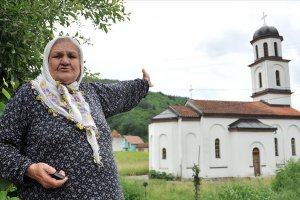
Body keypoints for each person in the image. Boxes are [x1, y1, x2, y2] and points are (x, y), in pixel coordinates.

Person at [0, 36, 152, 199]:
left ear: (80, 64)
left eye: (72, 56)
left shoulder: (92, 94)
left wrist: (143, 84)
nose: (65, 61)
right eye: (58, 56)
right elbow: (2, 146)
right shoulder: (29, 96)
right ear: (46, 61)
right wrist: (30, 169)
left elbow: (121, 92)